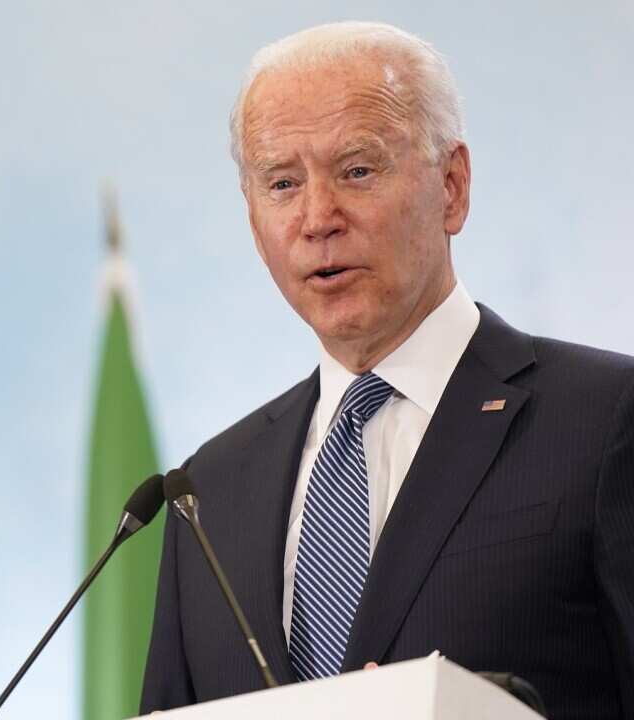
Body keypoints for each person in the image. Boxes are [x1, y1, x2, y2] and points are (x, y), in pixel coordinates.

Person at [140, 21, 633, 720]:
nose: (318, 219)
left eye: (357, 170)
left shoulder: (604, 418)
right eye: (282, 183)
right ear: (254, 225)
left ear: (453, 188)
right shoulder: (209, 490)